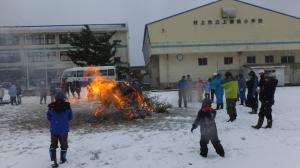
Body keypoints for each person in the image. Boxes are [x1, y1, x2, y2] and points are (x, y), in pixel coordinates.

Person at [47, 91, 73, 167]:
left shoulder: (51, 107)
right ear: (64, 98)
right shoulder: (67, 106)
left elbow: (48, 117)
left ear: (55, 98)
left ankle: (53, 161)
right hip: (64, 130)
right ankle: (63, 159)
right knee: (64, 145)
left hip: (54, 129)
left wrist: (54, 121)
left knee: (53, 145)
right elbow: (70, 117)